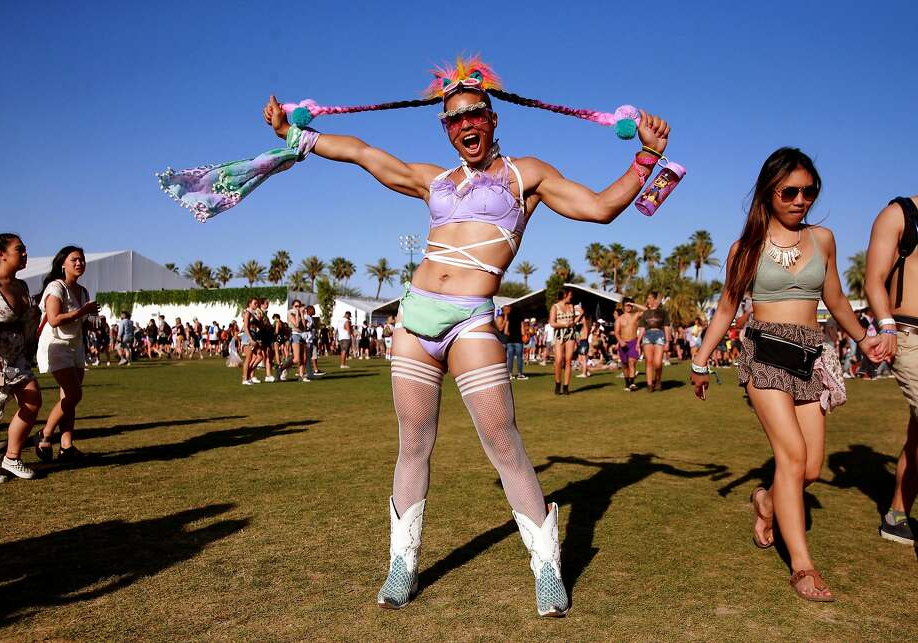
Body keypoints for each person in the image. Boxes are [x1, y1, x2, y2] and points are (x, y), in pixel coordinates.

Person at [253, 56, 670, 616]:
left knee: (504, 443)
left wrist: (647, 157)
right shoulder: (435, 181)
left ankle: (546, 568)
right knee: (413, 444)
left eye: (475, 114)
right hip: (414, 318)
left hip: (472, 317)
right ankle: (403, 563)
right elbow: (361, 153)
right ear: (445, 128)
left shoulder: (527, 176)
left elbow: (598, 208)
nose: (466, 125)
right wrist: (297, 134)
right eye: (454, 119)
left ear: (493, 118)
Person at [690, 147, 882, 602]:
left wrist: (865, 337)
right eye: (790, 191)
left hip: (812, 355)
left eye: (809, 191)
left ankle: (766, 501)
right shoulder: (746, 249)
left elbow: (835, 300)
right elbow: (726, 311)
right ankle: (803, 567)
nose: (801, 200)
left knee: (810, 468)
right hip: (765, 354)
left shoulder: (824, 239)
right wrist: (700, 360)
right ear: (769, 193)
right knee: (791, 455)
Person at [864, 193, 918, 545]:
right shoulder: (900, 214)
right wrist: (885, 326)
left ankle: (897, 517)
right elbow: (874, 278)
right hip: (910, 336)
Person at [34, 245, 99, 463]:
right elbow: (54, 319)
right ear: (63, 264)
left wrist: (90, 324)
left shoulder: (83, 291)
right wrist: (83, 311)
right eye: (74, 260)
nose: (79, 263)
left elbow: (79, 322)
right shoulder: (56, 287)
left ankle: (66, 446)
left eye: (82, 260)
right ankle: (45, 433)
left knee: (68, 399)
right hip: (56, 346)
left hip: (76, 346)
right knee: (74, 394)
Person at [0, 234, 41, 482]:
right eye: (19, 250)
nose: (25, 254)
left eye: (25, 250)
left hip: (17, 358)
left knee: (32, 400)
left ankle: (11, 457)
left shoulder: (21, 286)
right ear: (1, 254)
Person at [549, 289, 580, 396]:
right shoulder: (555, 307)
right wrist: (564, 325)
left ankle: (566, 387)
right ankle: (558, 384)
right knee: (558, 360)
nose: (571, 297)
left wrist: (576, 319)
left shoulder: (572, 307)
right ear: (565, 295)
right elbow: (552, 323)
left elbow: (575, 320)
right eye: (570, 295)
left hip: (570, 334)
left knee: (568, 360)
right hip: (559, 335)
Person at [637, 291, 670, 392]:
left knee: (658, 363)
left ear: (655, 299)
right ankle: (650, 384)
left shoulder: (663, 312)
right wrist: (638, 342)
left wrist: (668, 341)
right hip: (647, 336)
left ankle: (658, 381)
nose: (648, 300)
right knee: (649, 361)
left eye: (649, 298)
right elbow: (642, 329)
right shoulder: (645, 313)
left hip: (659, 335)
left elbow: (667, 327)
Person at [614, 297, 644, 391]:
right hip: (623, 343)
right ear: (623, 306)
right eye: (627, 305)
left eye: (630, 305)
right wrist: (620, 341)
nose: (628, 307)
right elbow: (616, 332)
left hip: (633, 342)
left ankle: (632, 383)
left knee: (632, 362)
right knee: (625, 364)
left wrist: (634, 304)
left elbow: (647, 310)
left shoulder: (636, 315)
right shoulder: (619, 319)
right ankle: (627, 383)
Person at [502, 305, 527, 380]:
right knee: (519, 358)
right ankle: (519, 374)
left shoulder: (509, 318)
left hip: (510, 341)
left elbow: (505, 331)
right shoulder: (520, 319)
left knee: (510, 358)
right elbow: (522, 331)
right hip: (518, 340)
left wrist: (510, 333)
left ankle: (510, 374)